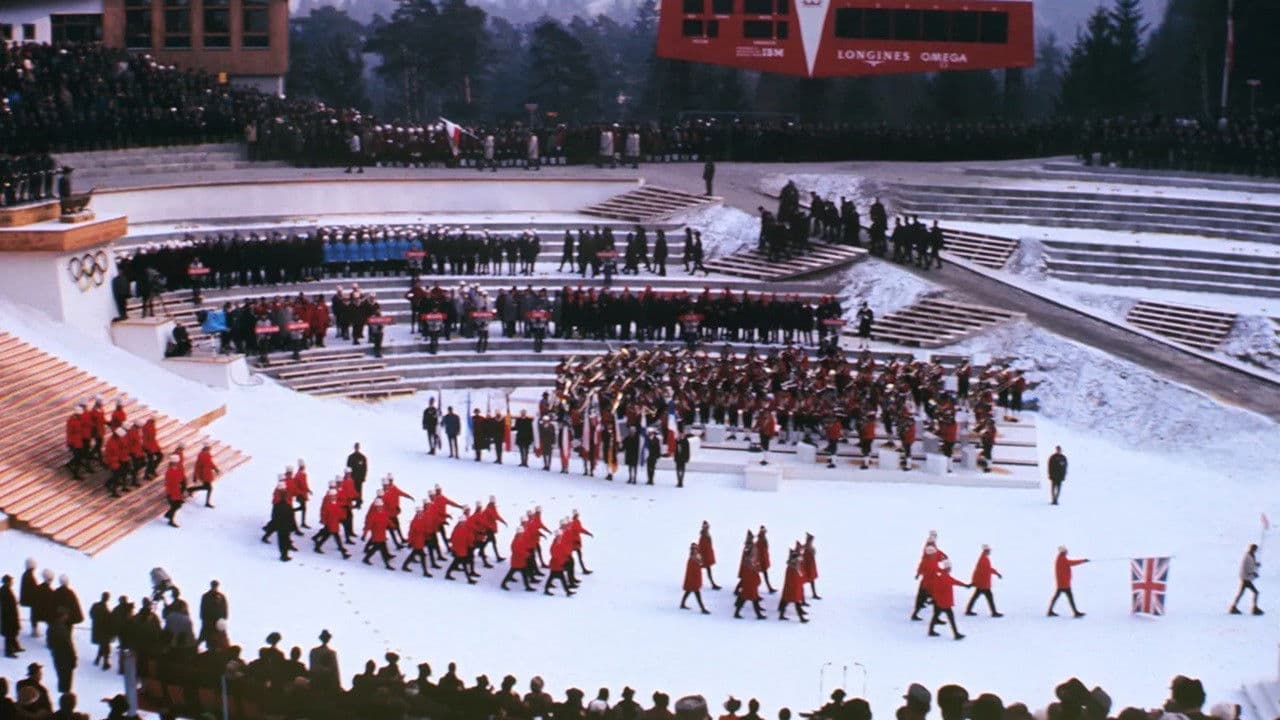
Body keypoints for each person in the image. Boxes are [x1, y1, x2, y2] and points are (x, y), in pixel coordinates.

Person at [927, 560, 968, 640]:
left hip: (940, 603)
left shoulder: (943, 576)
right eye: (950, 568)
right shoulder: (945, 577)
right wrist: (965, 585)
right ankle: (956, 634)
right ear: (948, 568)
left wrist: (965, 585)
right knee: (951, 618)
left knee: (936, 616)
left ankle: (931, 631)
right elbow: (938, 589)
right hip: (945, 603)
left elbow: (954, 581)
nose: (951, 569)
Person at [1048, 546, 1089, 618]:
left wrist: (1083, 561)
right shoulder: (1062, 559)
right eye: (1066, 551)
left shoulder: (1060, 557)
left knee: (1057, 597)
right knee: (1070, 597)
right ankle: (1075, 612)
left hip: (1062, 582)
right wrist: (1083, 561)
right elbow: (1072, 563)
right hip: (1064, 583)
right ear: (1063, 551)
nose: (1067, 551)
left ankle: (1050, 611)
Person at [964, 545, 1003, 617]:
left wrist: (997, 573)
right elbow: (980, 572)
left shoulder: (983, 558)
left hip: (982, 584)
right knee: (989, 598)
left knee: (976, 597)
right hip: (984, 585)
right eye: (989, 551)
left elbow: (987, 569)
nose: (990, 552)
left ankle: (968, 610)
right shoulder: (983, 559)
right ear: (986, 551)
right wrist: (975, 582)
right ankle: (994, 613)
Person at [46, 609, 76, 693]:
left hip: (58, 656)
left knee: (62, 677)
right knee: (66, 678)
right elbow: (68, 645)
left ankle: (64, 693)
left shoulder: (52, 627)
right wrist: (73, 658)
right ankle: (65, 694)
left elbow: (49, 644)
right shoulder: (61, 628)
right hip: (65, 658)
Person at [1229, 543, 1264, 615]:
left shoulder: (1250, 555)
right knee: (1256, 592)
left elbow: (1251, 565)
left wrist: (1255, 565)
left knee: (1241, 593)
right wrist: (1254, 573)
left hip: (1245, 578)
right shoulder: (1248, 557)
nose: (1255, 551)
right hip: (1246, 578)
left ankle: (1233, 607)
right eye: (1255, 549)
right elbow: (1248, 569)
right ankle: (1254, 609)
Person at [680, 543, 711, 614]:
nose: (695, 550)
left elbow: (701, 564)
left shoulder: (695, 557)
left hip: (694, 580)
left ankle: (682, 604)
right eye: (693, 549)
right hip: (693, 581)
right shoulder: (692, 559)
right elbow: (692, 570)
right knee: (697, 594)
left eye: (695, 549)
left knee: (688, 592)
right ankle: (703, 608)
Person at [198, 581, 227, 649]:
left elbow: (225, 611)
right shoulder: (206, 596)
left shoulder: (221, 596)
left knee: (222, 641)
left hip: (217, 623)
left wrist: (222, 620)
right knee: (203, 638)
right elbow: (202, 610)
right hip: (208, 622)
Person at [87, 593, 113, 670]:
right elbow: (107, 619)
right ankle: (105, 663)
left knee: (103, 645)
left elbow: (91, 614)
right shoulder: (103, 607)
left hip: (97, 629)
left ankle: (98, 660)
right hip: (103, 630)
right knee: (106, 646)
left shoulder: (96, 605)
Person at [162, 455, 186, 528]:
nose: (175, 463)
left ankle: (168, 514)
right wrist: (169, 493)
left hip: (177, 490)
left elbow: (181, 477)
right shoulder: (169, 471)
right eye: (174, 462)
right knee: (175, 505)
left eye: (176, 462)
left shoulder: (178, 469)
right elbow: (167, 483)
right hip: (172, 491)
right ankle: (170, 520)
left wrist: (182, 484)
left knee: (178, 505)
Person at [1, 574, 21, 657]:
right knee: (9, 634)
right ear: (7, 582)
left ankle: (15, 647)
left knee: (13, 632)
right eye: (10, 581)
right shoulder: (4, 591)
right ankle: (8, 652)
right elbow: (6, 605)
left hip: (11, 615)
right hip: (8, 617)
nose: (12, 582)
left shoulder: (6, 589)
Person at [698, 521, 721, 590]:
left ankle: (712, 584)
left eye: (708, 527)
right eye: (706, 527)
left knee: (704, 569)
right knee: (705, 570)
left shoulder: (706, 534)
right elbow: (702, 547)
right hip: (704, 556)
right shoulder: (703, 536)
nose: (707, 528)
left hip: (706, 555)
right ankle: (712, 584)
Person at [346, 443, 369, 508]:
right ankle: (350, 503)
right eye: (355, 447)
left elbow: (364, 468)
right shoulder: (350, 457)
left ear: (359, 448)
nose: (356, 448)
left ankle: (358, 503)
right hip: (352, 477)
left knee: (359, 490)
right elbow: (348, 467)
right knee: (351, 490)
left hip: (359, 478)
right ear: (354, 448)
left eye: (357, 447)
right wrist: (348, 477)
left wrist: (363, 477)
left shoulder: (362, 457)